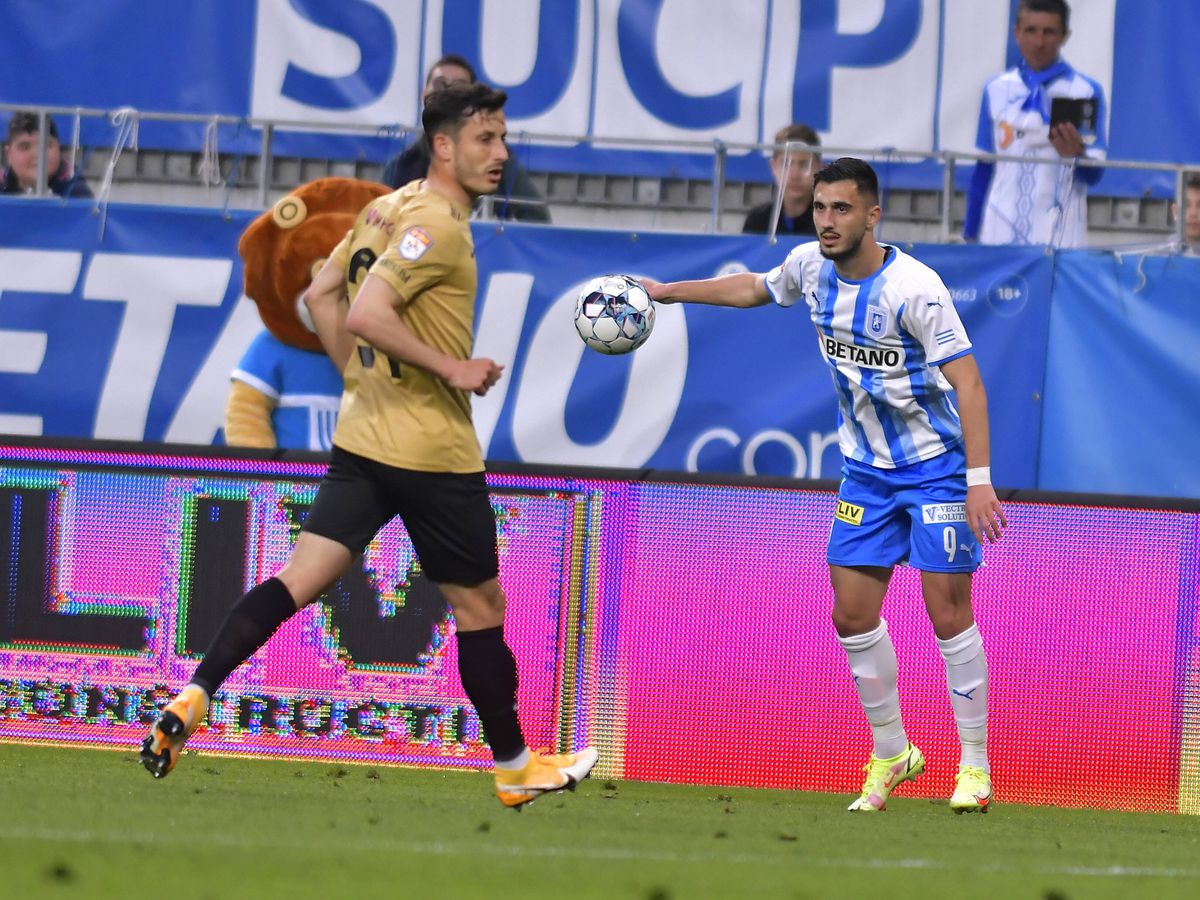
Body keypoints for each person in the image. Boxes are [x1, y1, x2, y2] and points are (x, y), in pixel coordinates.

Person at [141, 83, 597, 808]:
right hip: (431, 451)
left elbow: (321, 296)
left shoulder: (387, 206)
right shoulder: (437, 226)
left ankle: (194, 692)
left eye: (503, 137)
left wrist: (358, 380)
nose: (501, 153)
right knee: (481, 607)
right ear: (443, 145)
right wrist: (452, 368)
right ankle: (516, 767)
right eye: (485, 139)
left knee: (298, 578)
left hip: (363, 439)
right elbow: (365, 311)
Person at [644, 158, 1007, 814]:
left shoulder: (916, 289)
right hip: (865, 472)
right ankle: (893, 753)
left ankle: (975, 765)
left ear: (872, 215)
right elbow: (752, 288)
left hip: (936, 469)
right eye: (820, 209)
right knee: (851, 614)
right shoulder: (810, 267)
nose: (827, 221)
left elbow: (971, 385)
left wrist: (978, 482)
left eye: (842, 209)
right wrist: (670, 291)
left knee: (948, 613)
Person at [963, 0, 1106, 248]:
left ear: (1064, 35)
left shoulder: (1085, 91)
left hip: (1060, 239)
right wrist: (970, 233)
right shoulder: (996, 89)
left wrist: (1076, 154)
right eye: (1031, 30)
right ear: (1016, 33)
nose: (1039, 42)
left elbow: (1094, 175)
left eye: (1049, 32)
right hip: (998, 235)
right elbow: (983, 168)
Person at [381, 54, 550, 223]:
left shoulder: (499, 161)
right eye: (439, 84)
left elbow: (538, 219)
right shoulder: (399, 166)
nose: (446, 92)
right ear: (423, 94)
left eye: (458, 87)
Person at [742, 123, 820, 237]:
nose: (795, 175)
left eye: (804, 165)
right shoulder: (758, 220)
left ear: (818, 168)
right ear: (773, 166)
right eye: (786, 164)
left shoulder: (828, 221)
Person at [2, 111, 92, 198]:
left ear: (59, 150)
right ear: (8, 154)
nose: (37, 154)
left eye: (46, 145)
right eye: (25, 147)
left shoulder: (76, 192)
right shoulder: (2, 185)